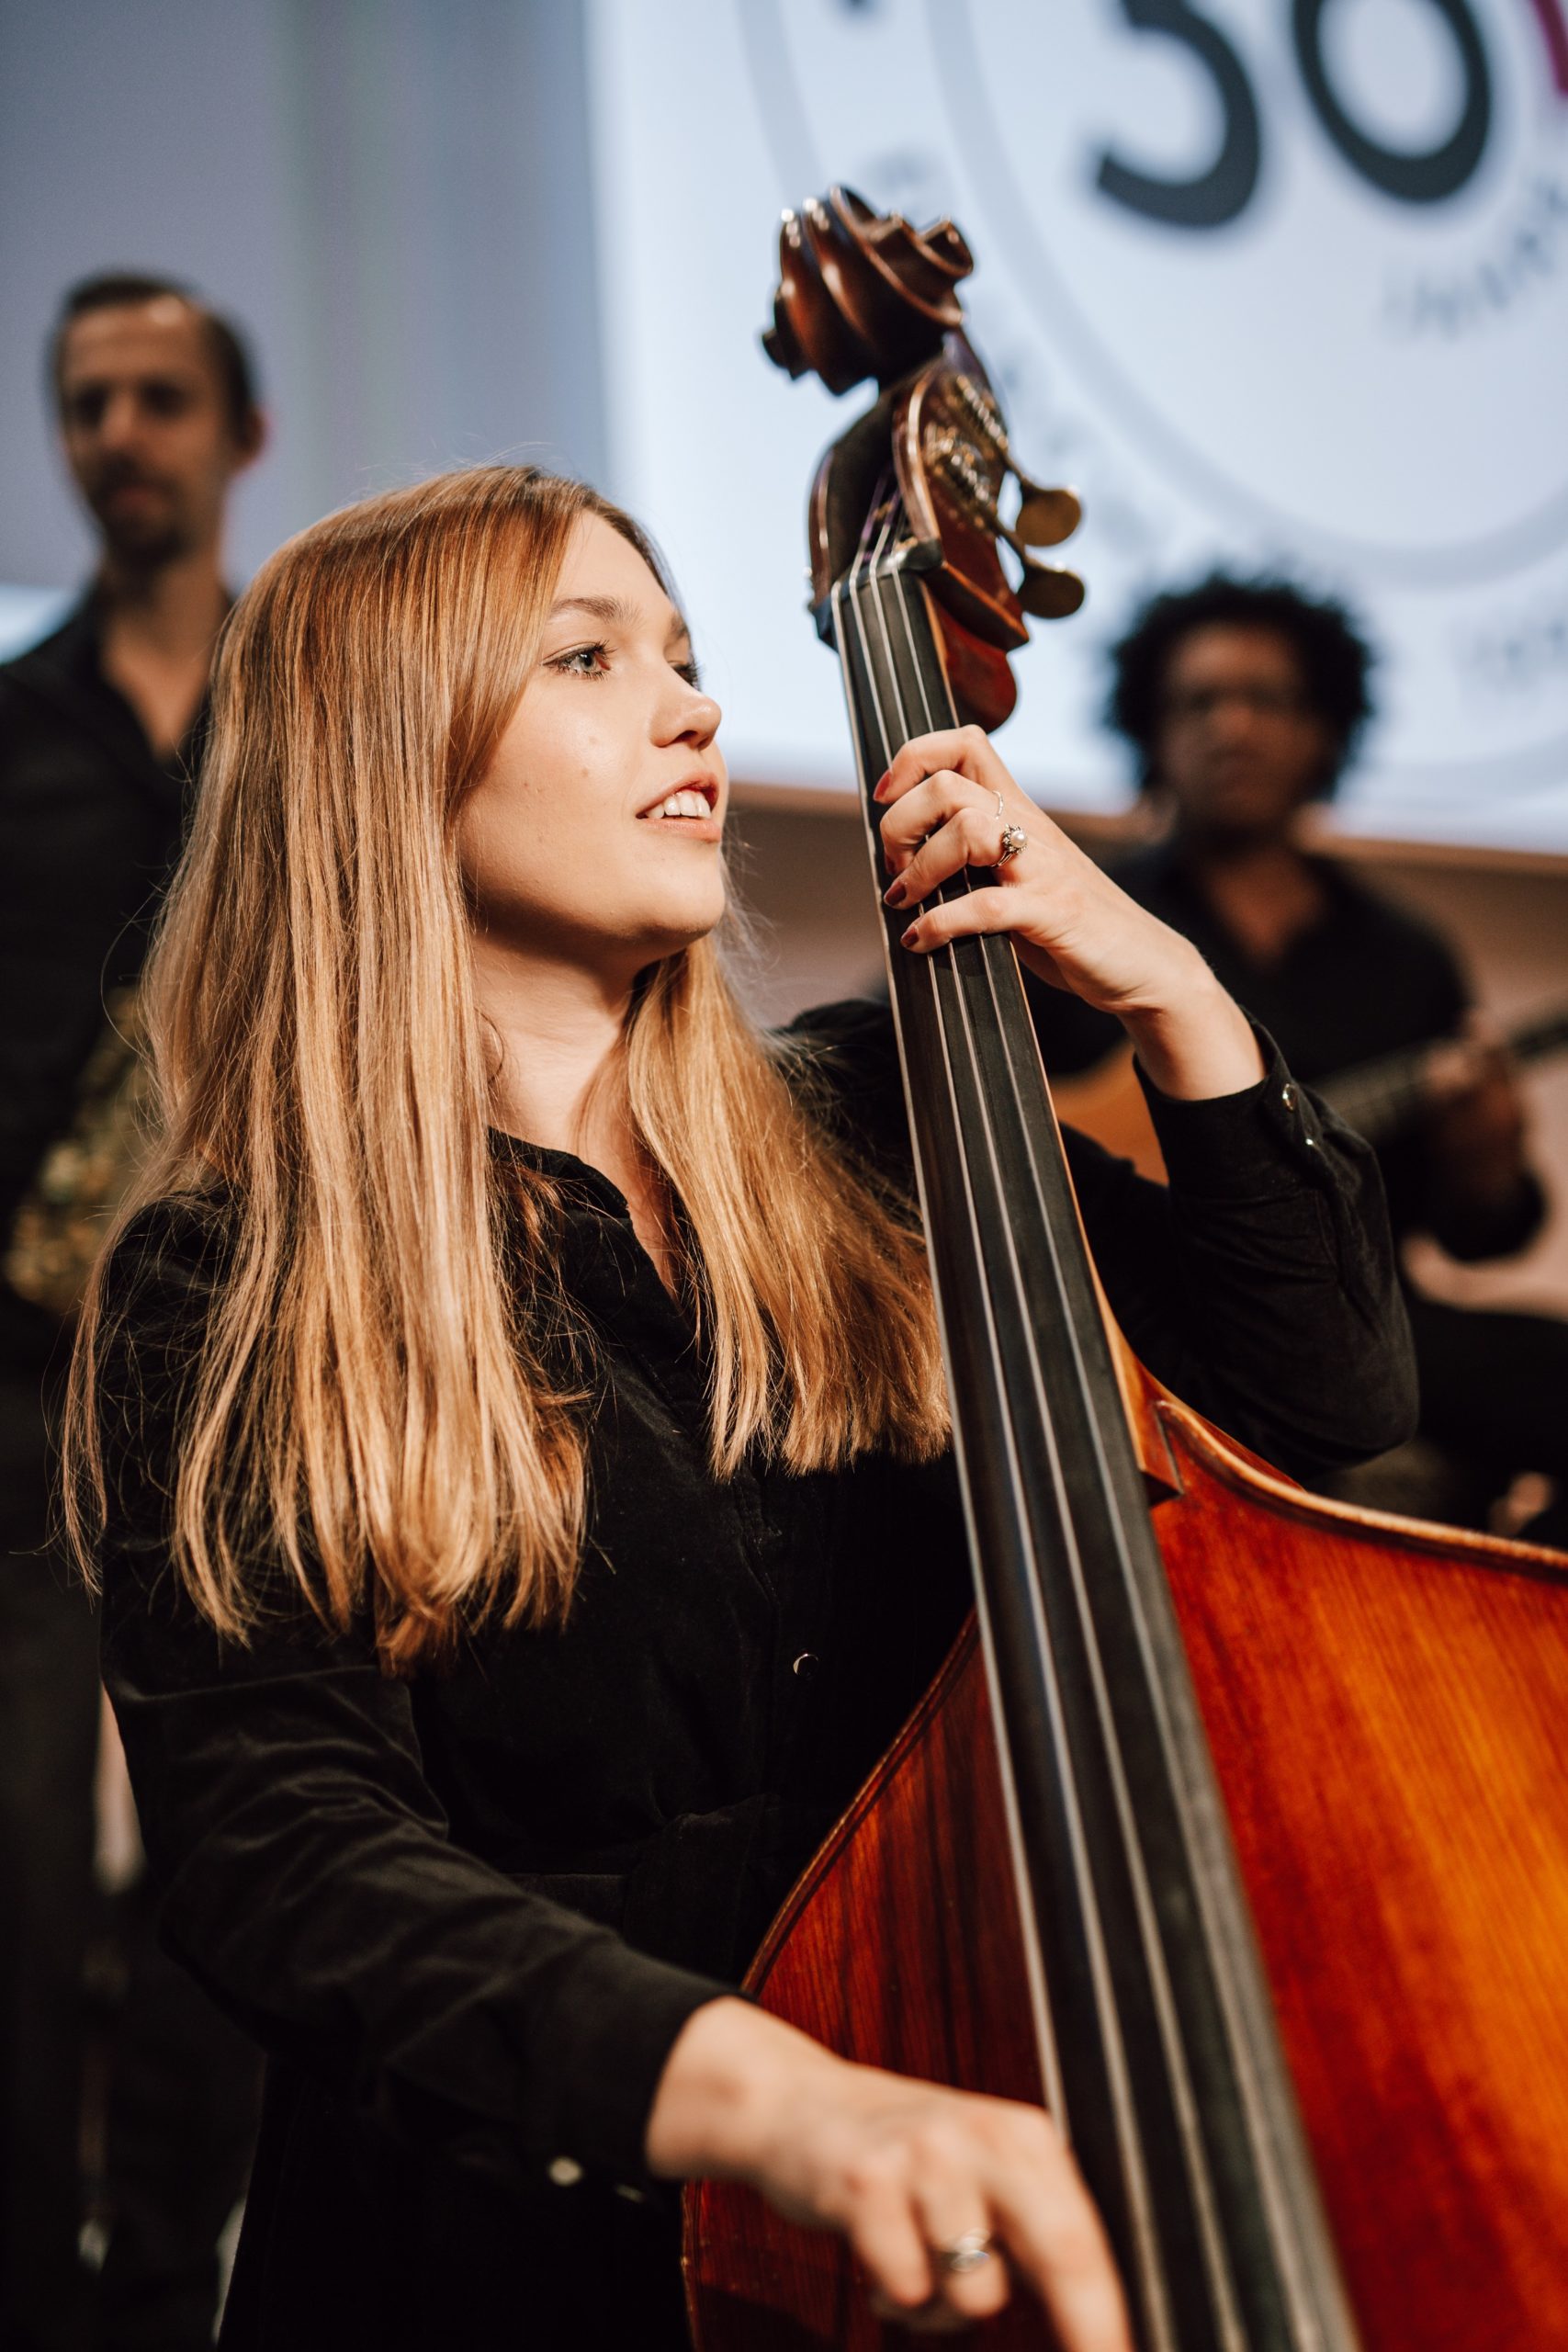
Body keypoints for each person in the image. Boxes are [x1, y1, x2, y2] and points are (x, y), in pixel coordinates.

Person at [66, 469, 1415, 2350]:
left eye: (688, 654)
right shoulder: (230, 1274)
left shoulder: (874, 1117)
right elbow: (288, 1858)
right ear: (389, 750)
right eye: (590, 658)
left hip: (962, 2143)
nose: (691, 708)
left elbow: (1327, 1394)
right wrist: (783, 2103)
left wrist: (1169, 988)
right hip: (512, 2260)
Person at [0, 271, 266, 2350]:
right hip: (18, 1374)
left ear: (236, 433)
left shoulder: (308, 712)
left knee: (242, 1849)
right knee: (10, 1877)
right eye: (87, 402)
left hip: (258, 1351)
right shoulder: (8, 731)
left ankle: (182, 2292)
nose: (119, 436)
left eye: (159, 397)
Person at [1030, 573, 1568, 1542]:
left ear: (1323, 731)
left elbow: (1478, 1236)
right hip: (1135, 1308)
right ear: (1151, 729)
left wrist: (1483, 1160)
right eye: (1198, 701)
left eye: (1265, 699)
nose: (1231, 728)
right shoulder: (1079, 911)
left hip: (1355, 1322)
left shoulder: (1403, 953)